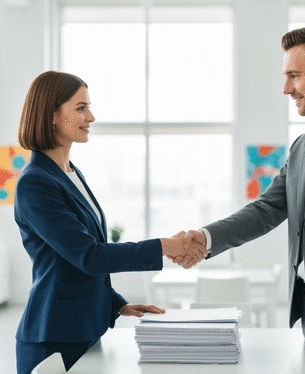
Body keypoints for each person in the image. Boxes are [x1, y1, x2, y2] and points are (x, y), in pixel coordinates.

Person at [174, 23, 305, 374]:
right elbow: (267, 209)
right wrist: (206, 238)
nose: (286, 88)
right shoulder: (304, 146)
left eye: (295, 75)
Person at [14, 70, 207, 374]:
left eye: (88, 106)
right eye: (80, 108)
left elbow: (77, 262)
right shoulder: (35, 183)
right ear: (50, 115)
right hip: (53, 337)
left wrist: (117, 303)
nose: (91, 116)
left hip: (84, 329)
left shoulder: (71, 174)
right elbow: (88, 256)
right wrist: (164, 246)